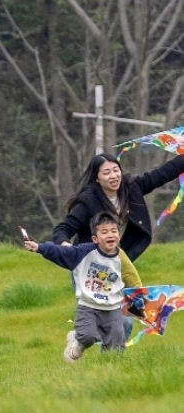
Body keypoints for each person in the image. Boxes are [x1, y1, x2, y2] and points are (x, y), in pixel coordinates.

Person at [25, 211, 141, 361]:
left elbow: (132, 277)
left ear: (119, 235)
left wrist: (139, 299)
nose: (110, 235)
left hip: (113, 308)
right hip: (88, 306)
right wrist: (40, 247)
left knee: (116, 344)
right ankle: (77, 342)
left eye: (114, 231)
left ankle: (108, 366)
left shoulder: (121, 257)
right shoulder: (84, 252)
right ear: (95, 239)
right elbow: (62, 252)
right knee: (88, 336)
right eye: (104, 232)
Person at [52, 152, 184, 261]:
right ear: (97, 178)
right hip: (87, 264)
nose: (113, 176)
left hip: (117, 260)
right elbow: (63, 229)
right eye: (106, 173)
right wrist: (65, 245)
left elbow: (160, 175)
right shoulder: (88, 202)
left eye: (116, 170)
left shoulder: (131, 188)